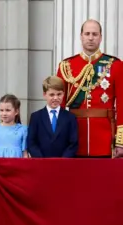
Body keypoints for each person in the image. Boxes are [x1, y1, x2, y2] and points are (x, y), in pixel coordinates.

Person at [56, 19, 123, 158]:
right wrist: (60, 137)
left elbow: (122, 104)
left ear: (101, 37)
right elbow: (59, 105)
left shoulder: (115, 65)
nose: (91, 38)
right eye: (87, 34)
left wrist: (120, 141)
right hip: (74, 137)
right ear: (81, 36)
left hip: (104, 138)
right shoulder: (66, 65)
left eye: (95, 34)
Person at [27, 76, 78, 158]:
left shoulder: (70, 117)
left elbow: (73, 143)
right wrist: (41, 160)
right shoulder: (36, 117)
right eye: (51, 95)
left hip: (63, 164)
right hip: (42, 164)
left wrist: (63, 160)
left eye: (59, 94)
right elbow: (31, 142)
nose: (55, 98)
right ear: (44, 95)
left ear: (63, 94)